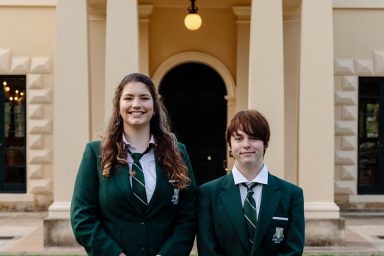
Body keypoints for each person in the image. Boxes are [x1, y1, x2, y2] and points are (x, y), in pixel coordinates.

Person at [70, 73, 196, 256]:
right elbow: (82, 217)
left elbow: (188, 215)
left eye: (144, 98)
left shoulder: (179, 153)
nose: (136, 104)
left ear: (154, 108)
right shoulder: (95, 153)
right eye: (128, 98)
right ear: (119, 107)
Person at [197, 110, 304, 256]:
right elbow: (208, 249)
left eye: (254, 138)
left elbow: (293, 250)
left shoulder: (292, 194)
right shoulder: (208, 194)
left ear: (266, 143)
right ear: (229, 144)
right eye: (239, 138)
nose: (246, 145)